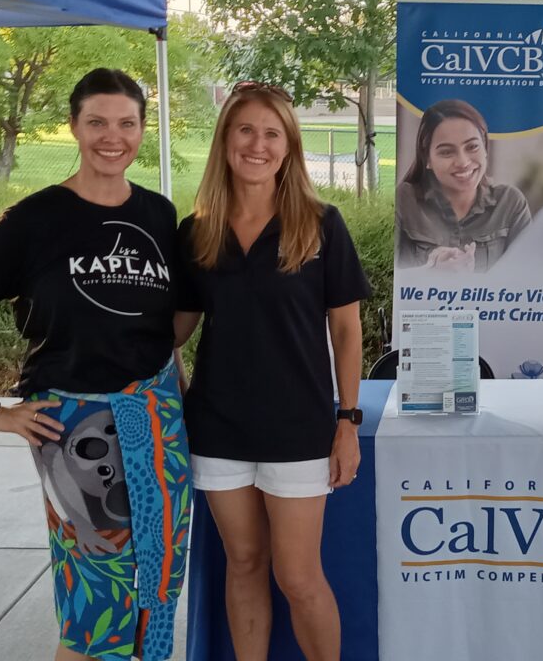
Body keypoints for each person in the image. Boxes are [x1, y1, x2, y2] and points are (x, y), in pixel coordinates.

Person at [0, 69, 190, 661]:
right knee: (97, 598)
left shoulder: (157, 214)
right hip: (74, 429)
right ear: (73, 126)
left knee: (158, 579)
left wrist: (182, 394)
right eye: (96, 121)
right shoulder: (33, 218)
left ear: (142, 130)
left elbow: (160, 325)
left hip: (157, 417)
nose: (111, 136)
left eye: (126, 123)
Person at [174, 81, 370, 661]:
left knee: (298, 577)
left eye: (271, 134)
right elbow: (173, 332)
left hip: (298, 429)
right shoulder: (197, 231)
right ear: (225, 140)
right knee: (243, 562)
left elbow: (347, 333)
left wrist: (348, 421)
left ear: (289, 148)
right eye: (245, 130)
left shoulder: (321, 224)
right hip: (219, 428)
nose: (257, 144)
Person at [396, 99, 531, 272]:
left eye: (472, 147)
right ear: (427, 159)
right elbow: (390, 278)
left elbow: (527, 281)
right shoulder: (405, 201)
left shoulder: (510, 203)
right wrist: (430, 272)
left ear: (485, 148)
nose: (463, 162)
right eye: (446, 152)